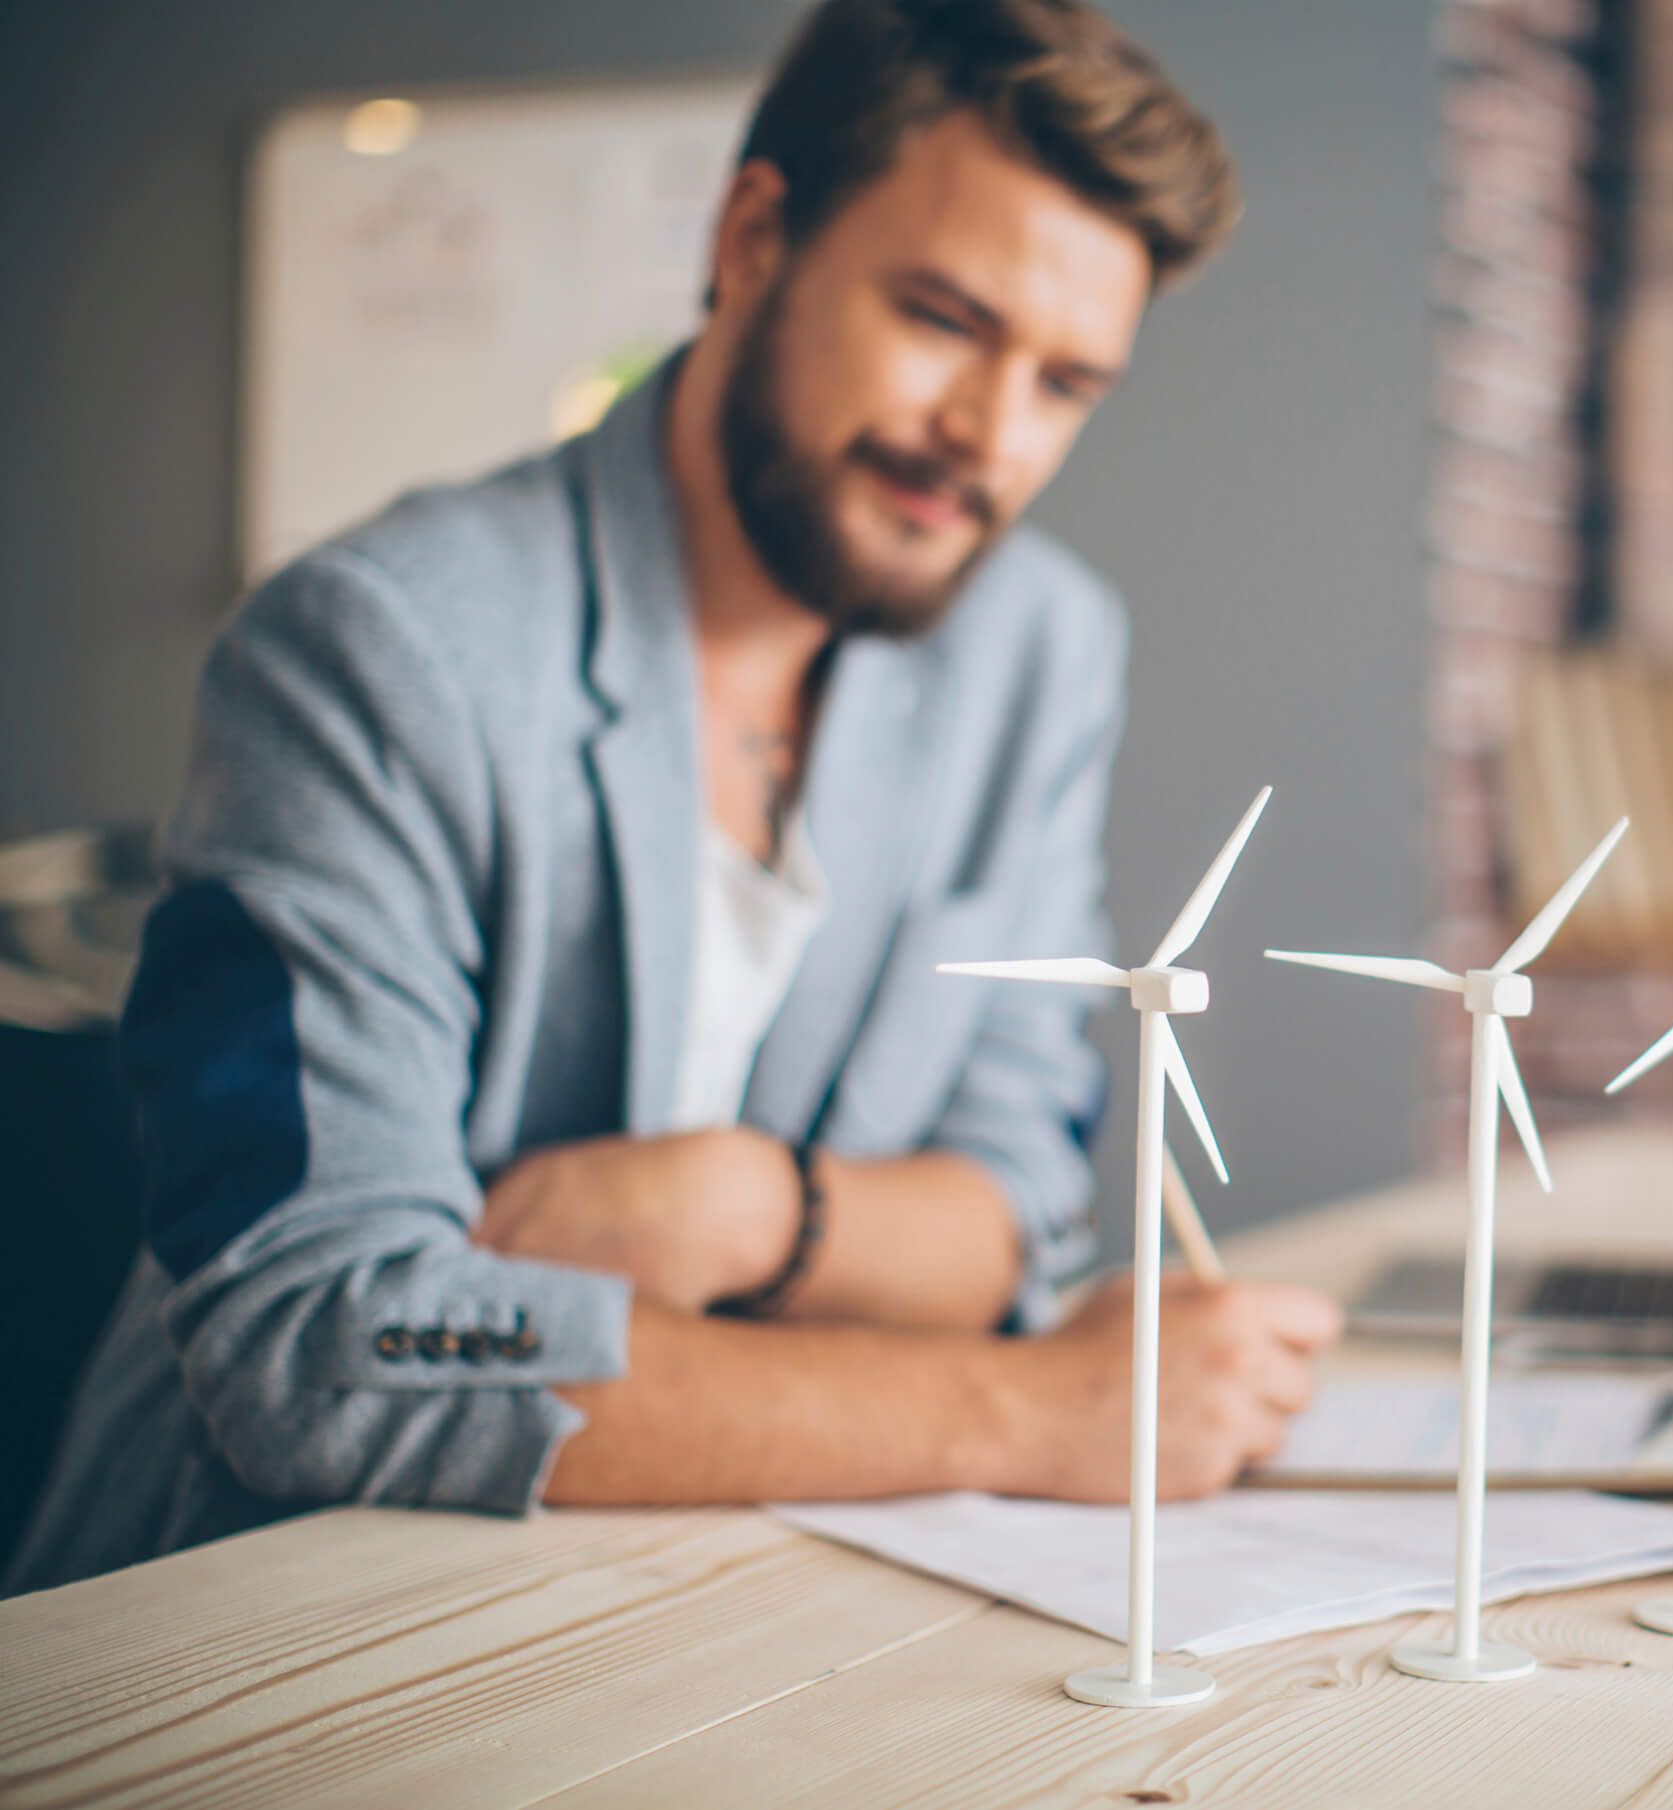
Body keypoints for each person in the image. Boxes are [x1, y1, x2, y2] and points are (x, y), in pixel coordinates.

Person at [5, 0, 1341, 1596]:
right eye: (940, 318)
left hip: (723, 1580)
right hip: (267, 1616)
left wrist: (743, 1206)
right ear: (755, 235)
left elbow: (1021, 1216)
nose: (986, 435)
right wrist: (1032, 1405)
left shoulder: (1038, 650)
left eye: (1065, 384)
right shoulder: (374, 647)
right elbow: (323, 1343)